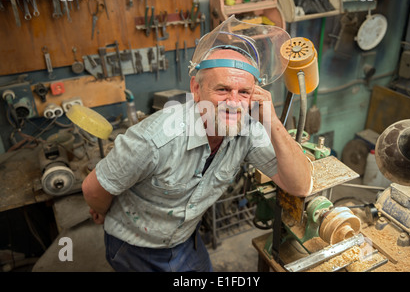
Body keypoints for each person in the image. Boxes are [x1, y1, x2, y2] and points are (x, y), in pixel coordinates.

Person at [81, 16, 313, 272]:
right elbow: (93, 188)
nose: (233, 102)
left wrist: (271, 121)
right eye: (223, 90)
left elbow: (300, 185)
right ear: (196, 88)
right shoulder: (154, 139)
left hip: (185, 241)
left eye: (244, 92)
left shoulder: (248, 129)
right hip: (135, 246)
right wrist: (102, 211)